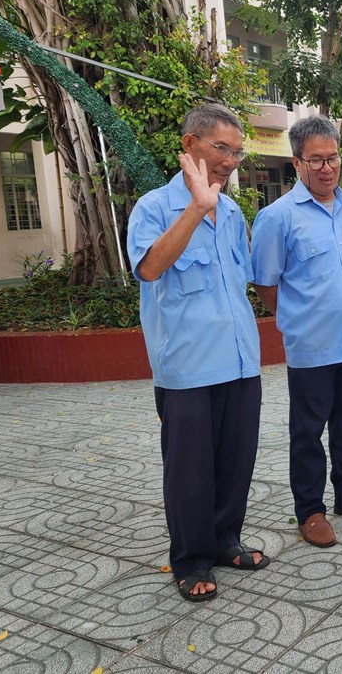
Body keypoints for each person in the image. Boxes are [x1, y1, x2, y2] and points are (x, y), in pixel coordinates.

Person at [127, 103, 268, 603]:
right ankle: (190, 559)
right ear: (190, 146)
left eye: (237, 151)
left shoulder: (232, 213)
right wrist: (196, 208)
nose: (231, 160)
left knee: (236, 460)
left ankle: (226, 539)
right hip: (186, 366)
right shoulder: (153, 207)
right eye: (220, 148)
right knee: (189, 469)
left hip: (238, 360)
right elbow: (149, 269)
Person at [251, 115, 342, 551]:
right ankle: (310, 510)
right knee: (307, 433)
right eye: (316, 161)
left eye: (333, 158)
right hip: (311, 347)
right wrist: (295, 318)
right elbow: (265, 283)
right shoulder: (277, 218)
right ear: (297, 163)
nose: (327, 168)